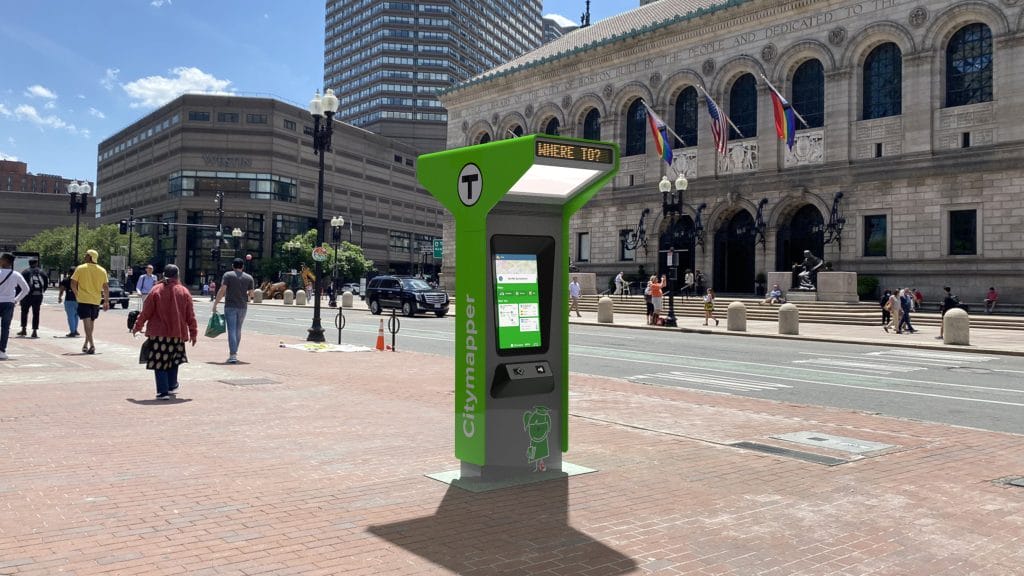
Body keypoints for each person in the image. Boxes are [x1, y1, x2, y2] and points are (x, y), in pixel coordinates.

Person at [132, 264, 197, 399]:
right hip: (177, 332)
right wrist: (193, 332)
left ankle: (163, 391)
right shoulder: (184, 292)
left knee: (159, 361)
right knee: (174, 359)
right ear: (177, 275)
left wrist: (137, 326)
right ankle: (172, 385)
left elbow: (146, 311)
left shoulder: (156, 290)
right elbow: (190, 315)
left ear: (163, 275)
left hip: (158, 333)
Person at [213, 258, 255, 364]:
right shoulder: (249, 278)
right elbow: (251, 294)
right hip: (242, 306)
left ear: (233, 266)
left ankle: (233, 355)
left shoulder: (228, 275)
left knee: (231, 330)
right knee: (238, 329)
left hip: (230, 305)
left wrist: (215, 303)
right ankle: (234, 353)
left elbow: (222, 290)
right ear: (243, 267)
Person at [70, 249, 110, 355]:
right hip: (96, 300)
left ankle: (92, 344)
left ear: (90, 257)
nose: (84, 257)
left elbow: (73, 283)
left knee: (86, 323)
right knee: (91, 323)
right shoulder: (102, 270)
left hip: (83, 299)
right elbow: (106, 287)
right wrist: (106, 301)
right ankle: (86, 343)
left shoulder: (80, 268)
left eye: (86, 255)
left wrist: (77, 294)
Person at [0, 253, 30, 360]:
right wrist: (16, 300)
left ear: (5, 261)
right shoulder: (16, 274)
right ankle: (2, 350)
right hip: (9, 303)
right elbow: (26, 289)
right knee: (5, 328)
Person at [17, 257, 47, 338]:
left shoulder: (25, 272)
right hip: (38, 295)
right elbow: (46, 283)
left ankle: (23, 329)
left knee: (24, 312)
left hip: (27, 295)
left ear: (29, 263)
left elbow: (20, 284)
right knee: (36, 313)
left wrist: (19, 296)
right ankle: (34, 331)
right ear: (36, 263)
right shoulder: (42, 272)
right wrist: (42, 291)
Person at [56, 267, 79, 337]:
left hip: (69, 300)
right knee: (76, 316)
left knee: (70, 316)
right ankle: (75, 329)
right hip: (79, 300)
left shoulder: (66, 280)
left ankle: (72, 331)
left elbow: (61, 289)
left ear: (69, 272)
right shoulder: (79, 279)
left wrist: (60, 297)